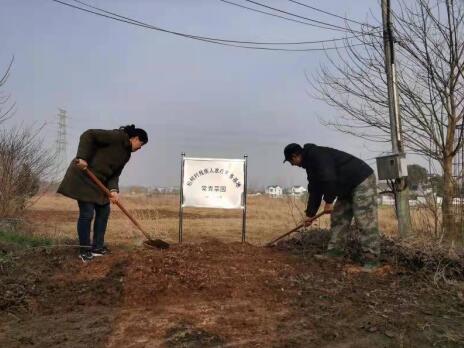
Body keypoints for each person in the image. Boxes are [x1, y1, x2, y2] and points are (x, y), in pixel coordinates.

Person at [58, 125, 148, 262]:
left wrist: (113, 190)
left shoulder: (126, 155)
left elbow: (115, 174)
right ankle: (84, 249)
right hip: (84, 177)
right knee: (87, 213)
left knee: (104, 211)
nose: (139, 148)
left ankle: (97, 247)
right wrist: (82, 157)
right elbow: (88, 135)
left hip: (100, 183)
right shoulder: (116, 136)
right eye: (140, 144)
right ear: (135, 138)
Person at [283, 143, 380, 269]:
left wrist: (329, 201)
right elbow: (315, 191)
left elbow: (329, 178)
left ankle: (371, 261)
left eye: (291, 162)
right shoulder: (310, 166)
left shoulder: (317, 155)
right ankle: (335, 254)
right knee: (339, 217)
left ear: (295, 156)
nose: (293, 165)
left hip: (361, 180)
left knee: (364, 221)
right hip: (346, 187)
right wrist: (310, 215)